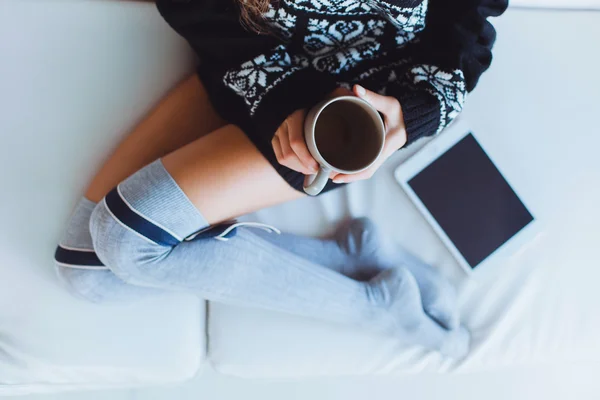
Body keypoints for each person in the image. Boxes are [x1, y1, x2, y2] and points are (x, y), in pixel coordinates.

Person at [54, 0, 507, 358]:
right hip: (252, 66)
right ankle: (356, 273)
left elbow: (471, 15)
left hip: (347, 122)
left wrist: (413, 112)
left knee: (123, 242)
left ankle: (379, 311)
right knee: (87, 274)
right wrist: (283, 96)